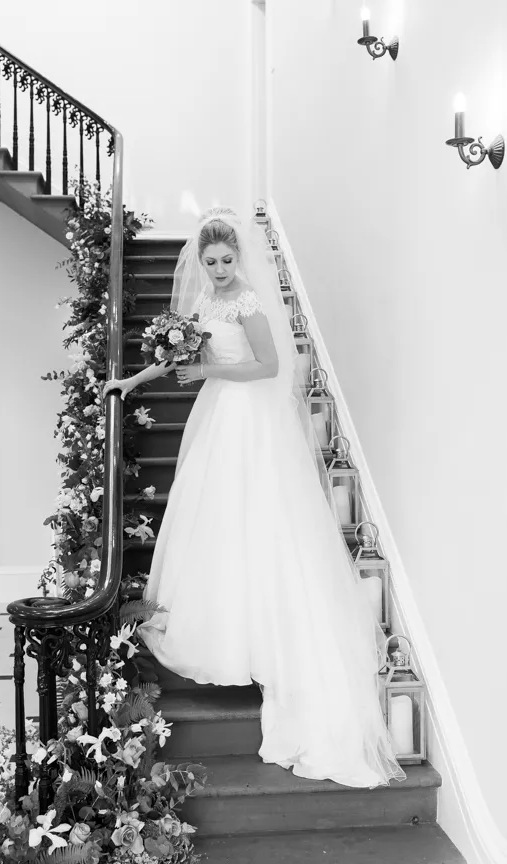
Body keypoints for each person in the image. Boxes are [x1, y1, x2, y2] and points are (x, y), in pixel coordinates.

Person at [103, 206, 406, 788]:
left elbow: (268, 367)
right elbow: (173, 357)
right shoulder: (204, 301)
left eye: (225, 260)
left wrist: (210, 374)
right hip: (217, 416)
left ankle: (268, 643)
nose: (218, 269)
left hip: (248, 419)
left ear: (238, 257)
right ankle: (220, 633)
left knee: (256, 521)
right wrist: (130, 382)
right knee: (214, 523)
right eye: (210, 261)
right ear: (201, 261)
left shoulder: (248, 302)